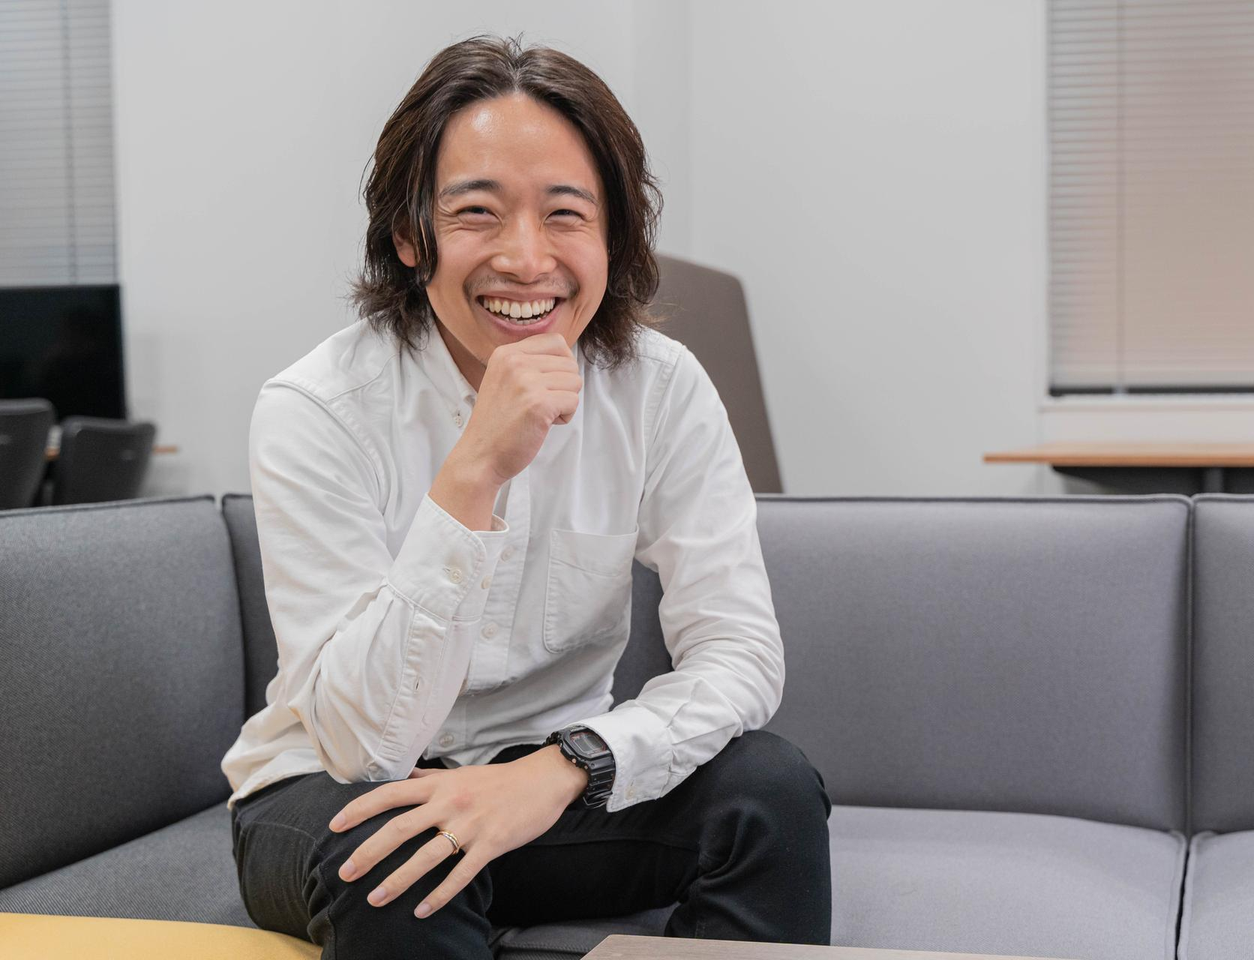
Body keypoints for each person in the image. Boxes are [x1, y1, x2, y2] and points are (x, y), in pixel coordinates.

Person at [220, 35, 831, 960]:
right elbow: (360, 745)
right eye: (477, 212)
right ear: (409, 235)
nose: (526, 257)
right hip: (336, 790)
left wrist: (567, 768)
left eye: (565, 214)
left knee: (771, 792)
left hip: (546, 793)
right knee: (397, 860)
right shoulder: (316, 408)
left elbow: (740, 652)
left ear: (612, 237)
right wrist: (473, 473)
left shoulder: (660, 389)